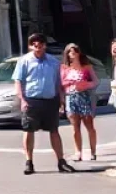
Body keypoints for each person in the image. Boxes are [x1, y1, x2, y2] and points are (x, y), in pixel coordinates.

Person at [13, 32, 75, 175]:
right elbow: (18, 81)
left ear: (45, 46)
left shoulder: (53, 62)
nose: (38, 49)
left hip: (50, 100)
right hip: (31, 100)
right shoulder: (24, 61)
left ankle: (61, 162)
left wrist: (61, 100)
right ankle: (29, 162)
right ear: (30, 47)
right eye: (35, 46)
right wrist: (22, 99)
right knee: (29, 130)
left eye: (40, 46)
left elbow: (58, 83)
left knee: (54, 130)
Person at [61, 44, 98, 161]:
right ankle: (78, 152)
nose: (72, 53)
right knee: (75, 127)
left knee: (89, 125)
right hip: (71, 97)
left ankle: (93, 151)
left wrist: (87, 85)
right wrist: (61, 102)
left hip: (84, 97)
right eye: (70, 52)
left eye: (75, 51)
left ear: (78, 53)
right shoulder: (64, 68)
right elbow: (61, 85)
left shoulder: (86, 67)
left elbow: (96, 81)